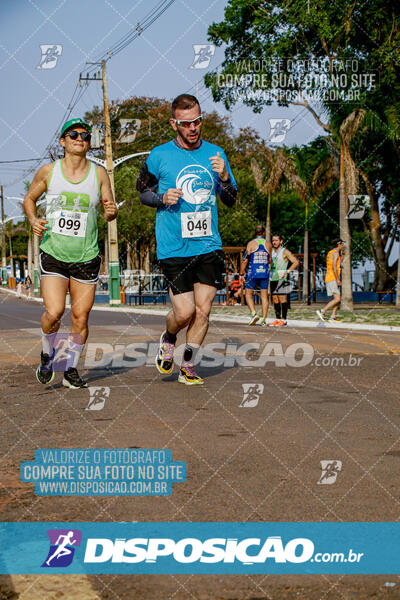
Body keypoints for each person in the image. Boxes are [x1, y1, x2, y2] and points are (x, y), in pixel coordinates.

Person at [137, 94, 237, 385]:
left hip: (208, 244)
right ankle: (169, 337)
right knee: (184, 313)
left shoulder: (216, 154)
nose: (193, 128)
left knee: (203, 311)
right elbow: (141, 191)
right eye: (186, 124)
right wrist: (160, 198)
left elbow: (230, 200)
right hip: (173, 246)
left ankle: (188, 366)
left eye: (197, 122)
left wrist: (226, 179)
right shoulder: (159, 155)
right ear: (174, 124)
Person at [24, 118, 118, 389]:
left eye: (85, 136)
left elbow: (109, 208)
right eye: (74, 134)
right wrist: (32, 219)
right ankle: (46, 351)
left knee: (80, 317)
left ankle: (71, 370)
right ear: (63, 141)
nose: (80, 139)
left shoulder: (99, 173)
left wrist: (112, 212)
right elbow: (30, 198)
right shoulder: (48, 172)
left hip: (86, 256)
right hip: (53, 252)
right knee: (54, 313)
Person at [239, 225, 272, 325]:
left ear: (255, 233)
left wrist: (241, 273)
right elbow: (270, 260)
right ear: (263, 233)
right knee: (264, 297)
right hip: (264, 273)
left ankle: (254, 313)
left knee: (248, 294)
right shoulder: (268, 244)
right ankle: (264, 319)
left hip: (253, 272)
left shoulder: (251, 244)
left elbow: (245, 260)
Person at [269, 233, 299, 326]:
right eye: (273, 240)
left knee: (282, 299)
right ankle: (277, 319)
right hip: (272, 277)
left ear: (281, 241)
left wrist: (287, 271)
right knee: (275, 299)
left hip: (282, 278)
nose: (274, 242)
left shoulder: (285, 251)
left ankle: (284, 320)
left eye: (276, 240)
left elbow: (296, 262)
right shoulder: (271, 251)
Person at [316, 239, 345, 322]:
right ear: (339, 244)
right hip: (332, 278)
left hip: (330, 278)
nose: (343, 245)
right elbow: (334, 268)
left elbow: (338, 263)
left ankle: (333, 316)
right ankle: (322, 311)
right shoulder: (335, 253)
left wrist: (343, 255)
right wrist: (338, 279)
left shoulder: (331, 252)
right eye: (342, 244)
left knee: (338, 297)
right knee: (337, 299)